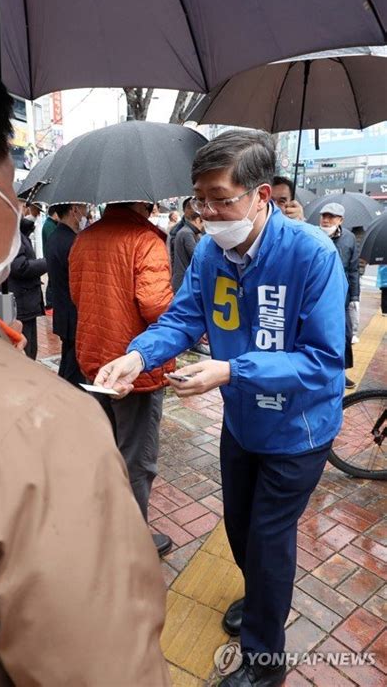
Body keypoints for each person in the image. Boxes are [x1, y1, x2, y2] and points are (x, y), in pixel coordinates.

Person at [0, 20, 170, 687]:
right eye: (10, 180)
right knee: (135, 456)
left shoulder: (84, 240)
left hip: (86, 355)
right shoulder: (40, 429)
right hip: (127, 370)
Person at [94, 130, 347, 687]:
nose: (206, 213)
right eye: (199, 199)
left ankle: (264, 658)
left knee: (268, 537)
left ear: (261, 196)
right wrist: (137, 357)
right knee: (238, 528)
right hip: (243, 422)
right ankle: (261, 598)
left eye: (220, 197)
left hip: (298, 429)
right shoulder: (210, 252)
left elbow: (325, 360)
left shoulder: (312, 252)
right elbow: (184, 319)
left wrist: (231, 370)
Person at [69, 201, 175, 557]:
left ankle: (101, 524)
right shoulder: (146, 241)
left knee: (104, 449)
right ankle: (131, 544)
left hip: (93, 358)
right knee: (137, 460)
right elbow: (156, 307)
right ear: (144, 201)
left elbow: (74, 294)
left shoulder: (84, 238)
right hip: (135, 369)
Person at [45, 203, 87, 386]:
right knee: (73, 371)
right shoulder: (71, 241)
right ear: (74, 210)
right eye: (83, 208)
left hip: (64, 312)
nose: (86, 212)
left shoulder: (56, 236)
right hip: (73, 314)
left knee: (68, 362)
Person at [319, 202, 360, 389]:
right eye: (324, 216)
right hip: (317, 295)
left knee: (343, 335)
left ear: (341, 220)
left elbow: (353, 269)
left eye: (332, 217)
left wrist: (355, 297)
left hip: (341, 296)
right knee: (319, 333)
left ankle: (341, 373)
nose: (326, 220)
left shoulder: (350, 238)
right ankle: (320, 372)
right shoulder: (313, 234)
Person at [7, 216, 47, 360]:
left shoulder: (20, 232)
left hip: (25, 302)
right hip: (20, 302)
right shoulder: (12, 234)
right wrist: (45, 263)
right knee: (26, 352)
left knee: (30, 349)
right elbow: (19, 267)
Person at [172, 208, 204, 292]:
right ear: (197, 220)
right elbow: (196, 255)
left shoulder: (186, 231)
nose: (203, 226)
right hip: (184, 280)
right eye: (202, 222)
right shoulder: (187, 233)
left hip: (183, 279)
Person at [168, 196, 193, 267]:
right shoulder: (176, 230)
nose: (193, 210)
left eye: (195, 206)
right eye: (189, 207)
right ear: (184, 210)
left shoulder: (204, 226)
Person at [42, 207, 59, 308]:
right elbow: (53, 241)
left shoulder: (52, 224)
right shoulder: (49, 225)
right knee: (52, 280)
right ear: (55, 214)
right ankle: (49, 303)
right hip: (50, 257)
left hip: (49, 256)